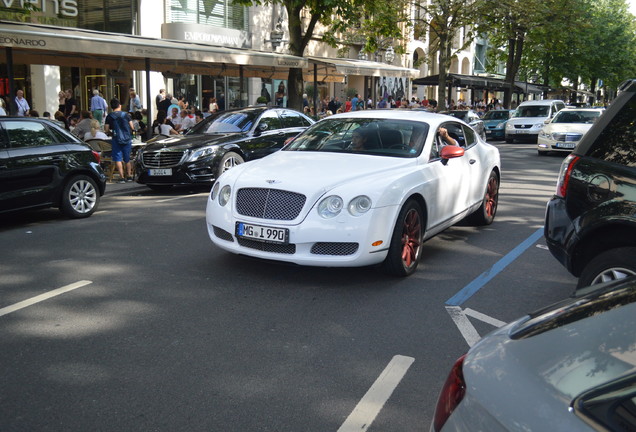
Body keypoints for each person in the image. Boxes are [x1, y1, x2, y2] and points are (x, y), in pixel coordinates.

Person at [104, 98, 134, 183]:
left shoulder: (109, 116)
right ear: (119, 105)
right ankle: (129, 176)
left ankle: (121, 177)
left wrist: (111, 133)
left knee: (118, 159)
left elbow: (106, 129)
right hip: (127, 139)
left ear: (111, 107)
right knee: (127, 158)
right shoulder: (126, 115)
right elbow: (132, 127)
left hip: (116, 138)